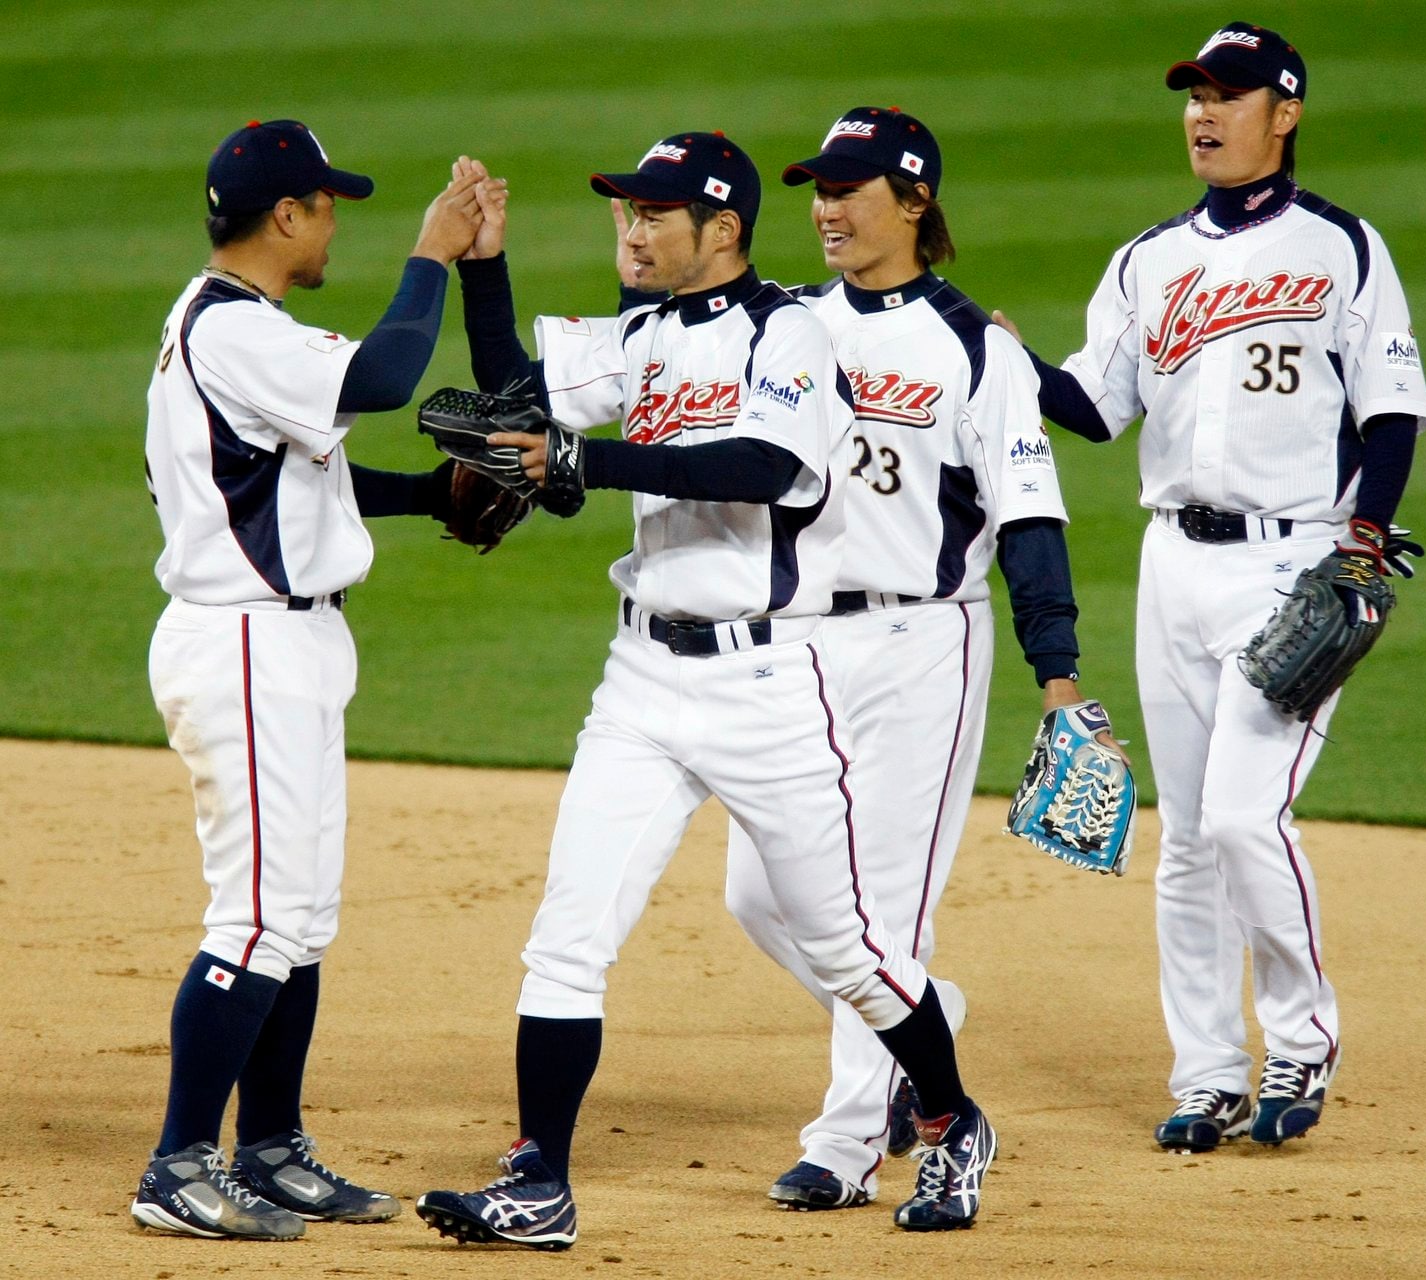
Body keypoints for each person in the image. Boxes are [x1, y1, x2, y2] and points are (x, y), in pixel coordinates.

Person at [415, 132, 995, 1248]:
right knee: (567, 935)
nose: (631, 230)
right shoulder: (640, 337)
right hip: (639, 677)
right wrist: (486, 265)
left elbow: (766, 467)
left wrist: (597, 464)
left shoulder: (791, 332)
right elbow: (518, 399)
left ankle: (948, 1113)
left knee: (848, 948)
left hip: (768, 681)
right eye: (623, 211)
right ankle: (540, 1178)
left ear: (721, 229)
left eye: (653, 214)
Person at [994, 23, 1426, 1153]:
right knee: (1186, 834)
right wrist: (1012, 363)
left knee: (1246, 816)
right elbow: (1096, 408)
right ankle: (1208, 1073)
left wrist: (1367, 543)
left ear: (1283, 112)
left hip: (1298, 559)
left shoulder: (1341, 245)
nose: (1202, 112)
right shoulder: (1149, 260)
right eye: (1193, 93)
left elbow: (1389, 406)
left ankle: (1300, 1040)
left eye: (1228, 95)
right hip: (1171, 564)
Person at [700, 107, 1113, 1211]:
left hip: (928, 639)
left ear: (915, 200)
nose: (826, 208)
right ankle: (917, 1014)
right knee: (757, 889)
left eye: (850, 187)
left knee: (876, 909)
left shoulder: (981, 347)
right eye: (818, 189)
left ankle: (846, 1146)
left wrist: (1059, 673)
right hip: (794, 641)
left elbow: (1031, 519)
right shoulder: (783, 324)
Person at [133, 118, 484, 1240]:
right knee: (258, 916)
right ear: (285, 215)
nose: (337, 219)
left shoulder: (246, 331)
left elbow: (291, 484)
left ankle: (270, 1145)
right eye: (328, 204)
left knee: (304, 917)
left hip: (287, 643)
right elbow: (383, 373)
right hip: (243, 643)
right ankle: (177, 1164)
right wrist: (433, 251)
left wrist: (431, 495)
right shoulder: (232, 327)